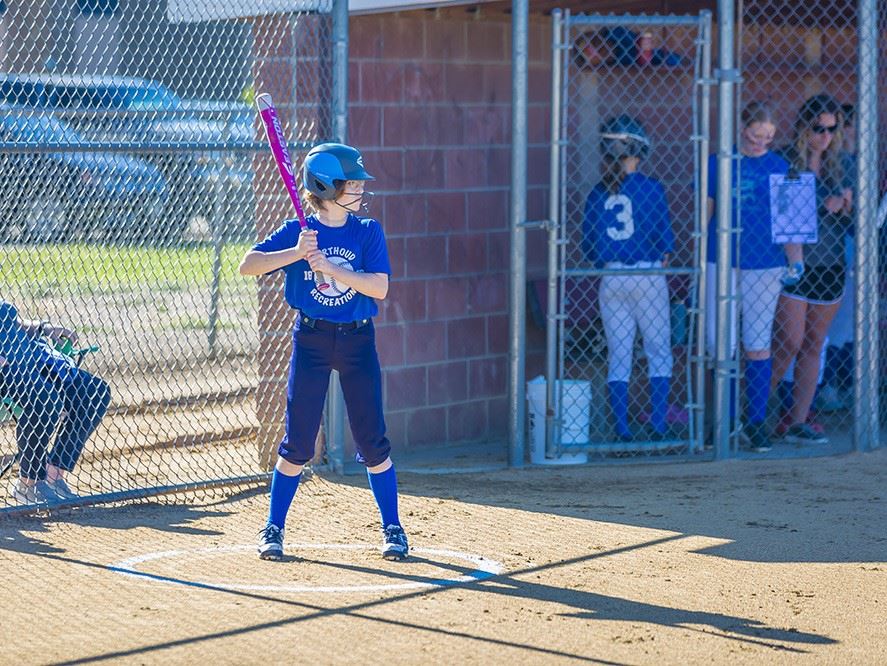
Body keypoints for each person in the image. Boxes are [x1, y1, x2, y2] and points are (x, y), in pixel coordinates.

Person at [239, 142, 408, 562]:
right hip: (311, 340)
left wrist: (331, 268)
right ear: (326, 187)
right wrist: (296, 253)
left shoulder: (367, 231)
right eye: (351, 183)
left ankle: (393, 527)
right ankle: (273, 527)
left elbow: (380, 287)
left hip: (357, 341)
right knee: (297, 442)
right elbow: (248, 264)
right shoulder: (298, 232)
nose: (360, 189)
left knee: (372, 440)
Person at [704, 102, 793, 452]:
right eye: (756, 135)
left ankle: (755, 422)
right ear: (742, 128)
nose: (761, 143)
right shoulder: (718, 162)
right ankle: (723, 421)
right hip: (721, 260)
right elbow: (706, 215)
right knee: (720, 342)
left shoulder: (779, 166)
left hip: (765, 264)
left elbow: (788, 222)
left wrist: (794, 261)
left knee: (757, 342)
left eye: (768, 137)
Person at [582, 115, 675, 442]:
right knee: (658, 350)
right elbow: (665, 246)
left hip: (612, 277)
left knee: (619, 356)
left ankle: (622, 430)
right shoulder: (652, 188)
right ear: (639, 150)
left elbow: (589, 247)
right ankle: (658, 426)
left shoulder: (597, 192)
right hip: (647, 274)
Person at [771, 94, 853, 445]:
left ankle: (798, 420)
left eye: (832, 130)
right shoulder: (786, 160)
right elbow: (782, 215)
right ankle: (752, 413)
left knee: (814, 344)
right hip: (795, 263)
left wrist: (848, 208)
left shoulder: (843, 164)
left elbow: (854, 225)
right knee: (788, 341)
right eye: (819, 128)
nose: (825, 137)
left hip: (830, 263)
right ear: (805, 126)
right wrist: (825, 205)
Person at [0, 301, 111, 504]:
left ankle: (53, 474)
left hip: (30, 359)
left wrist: (45, 328)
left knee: (94, 392)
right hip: (5, 371)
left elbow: (11, 323)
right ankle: (28, 483)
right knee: (46, 399)